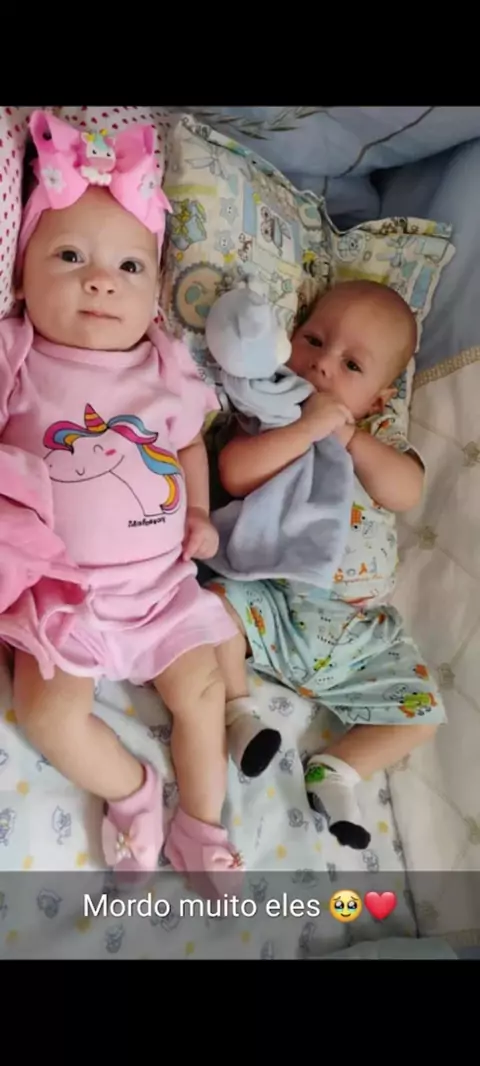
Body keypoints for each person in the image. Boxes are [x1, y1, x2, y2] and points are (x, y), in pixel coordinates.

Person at [0, 109, 244, 896]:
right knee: (47, 715)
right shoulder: (20, 353)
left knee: (203, 690)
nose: (100, 280)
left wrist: (198, 513)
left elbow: (188, 444)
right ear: (21, 276)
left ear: (155, 295)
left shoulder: (164, 364)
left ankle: (201, 824)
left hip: (159, 589)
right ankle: (132, 789)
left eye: (130, 267)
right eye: (69, 256)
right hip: (65, 596)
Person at [207, 278, 445, 850]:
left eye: (351, 365)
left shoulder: (378, 435)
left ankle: (338, 770)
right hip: (274, 604)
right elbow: (235, 474)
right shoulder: (269, 412)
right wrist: (307, 428)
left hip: (355, 630)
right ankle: (239, 714)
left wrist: (350, 438)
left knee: (423, 714)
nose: (321, 365)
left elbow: (406, 491)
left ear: (378, 400)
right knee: (210, 609)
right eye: (313, 340)